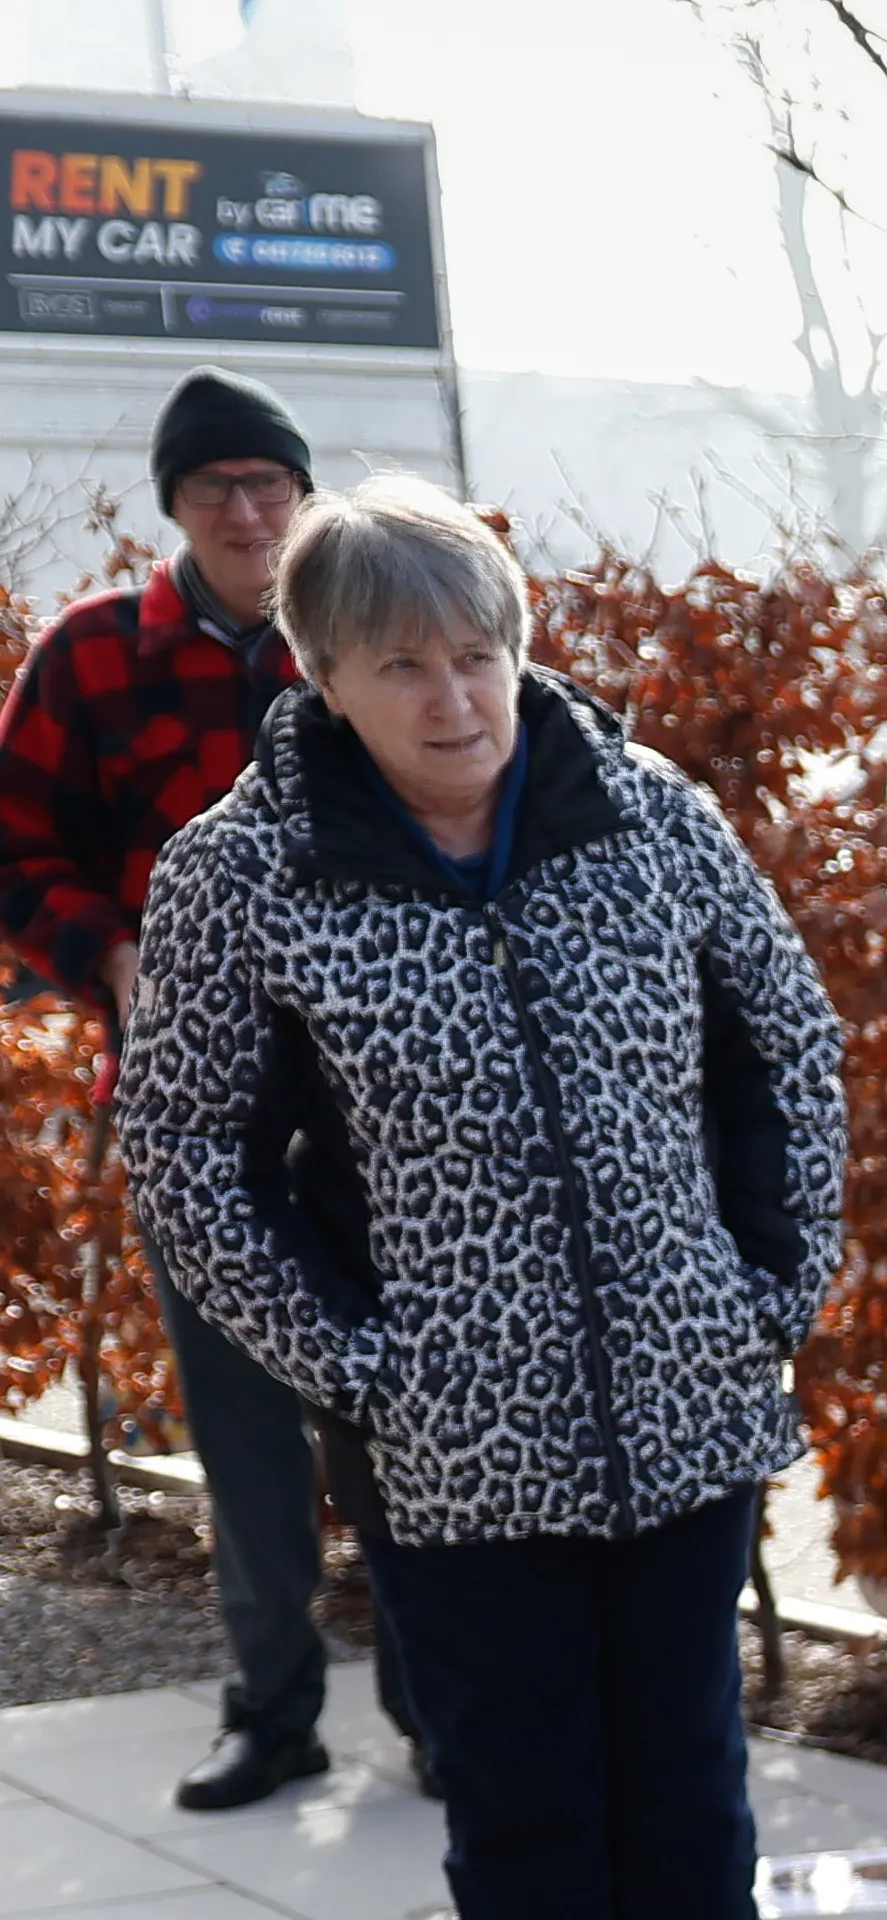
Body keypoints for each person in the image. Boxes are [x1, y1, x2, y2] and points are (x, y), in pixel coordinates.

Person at [116, 480, 844, 1920]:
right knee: (521, 1788)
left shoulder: (650, 813)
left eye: (479, 653)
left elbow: (785, 1041)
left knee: (685, 1772)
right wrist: (352, 1365)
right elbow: (186, 1153)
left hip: (685, 1400)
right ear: (321, 676)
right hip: (445, 1439)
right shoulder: (242, 875)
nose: (455, 698)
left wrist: (769, 1286)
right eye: (404, 666)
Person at [0, 367, 416, 1808]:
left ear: (303, 495)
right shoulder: (91, 655)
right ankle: (272, 1710)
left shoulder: (365, 637)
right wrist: (108, 953)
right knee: (239, 1422)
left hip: (379, 1100)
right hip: (196, 1108)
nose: (246, 512)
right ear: (174, 504)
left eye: (269, 484)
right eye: (215, 488)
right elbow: (14, 850)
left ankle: (436, 1702)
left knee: (404, 1404)